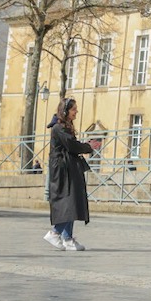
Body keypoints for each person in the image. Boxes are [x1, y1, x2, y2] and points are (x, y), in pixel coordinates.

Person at [45, 98, 102, 251]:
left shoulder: (64, 126)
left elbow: (72, 145)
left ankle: (67, 237)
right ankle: (56, 232)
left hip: (69, 167)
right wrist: (88, 146)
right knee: (68, 202)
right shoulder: (59, 128)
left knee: (72, 202)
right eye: (73, 109)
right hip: (63, 170)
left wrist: (86, 146)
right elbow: (72, 145)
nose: (76, 111)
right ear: (65, 111)